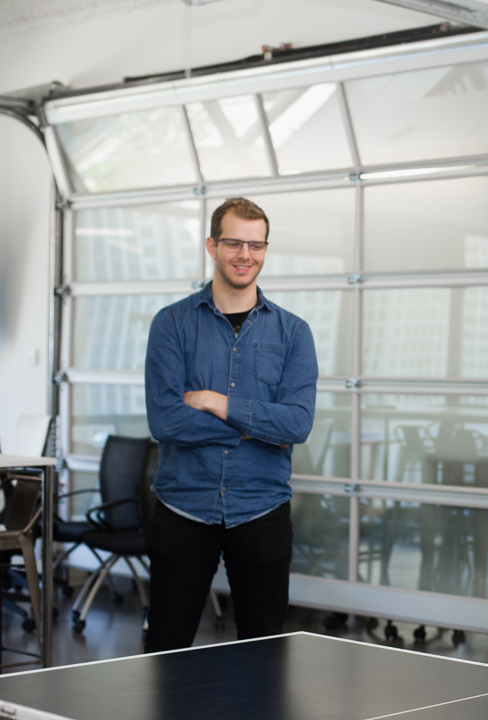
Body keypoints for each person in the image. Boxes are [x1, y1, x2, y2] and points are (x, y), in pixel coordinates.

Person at [144, 197, 318, 652]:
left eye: (256, 245)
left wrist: (216, 402)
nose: (246, 255)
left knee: (262, 657)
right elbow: (165, 419)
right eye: (234, 243)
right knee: (165, 649)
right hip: (183, 507)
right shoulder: (172, 324)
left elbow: (297, 423)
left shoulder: (294, 333)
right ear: (211, 245)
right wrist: (256, 428)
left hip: (261, 509)